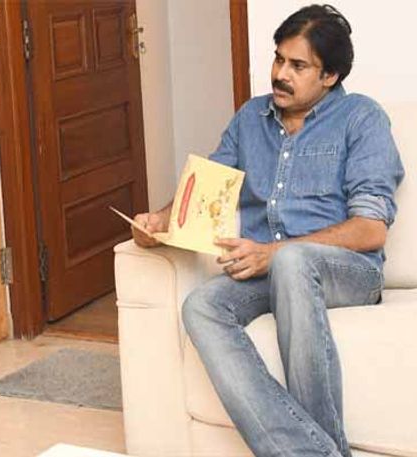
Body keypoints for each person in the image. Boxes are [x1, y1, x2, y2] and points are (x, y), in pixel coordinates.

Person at [131, 5, 403, 457]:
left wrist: (274, 253)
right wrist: (160, 221)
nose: (280, 74)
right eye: (278, 59)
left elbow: (371, 229)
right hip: (268, 269)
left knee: (293, 261)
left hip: (347, 271)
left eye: (298, 66)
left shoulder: (361, 118)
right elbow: (206, 189)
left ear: (330, 76)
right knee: (202, 305)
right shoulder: (250, 118)